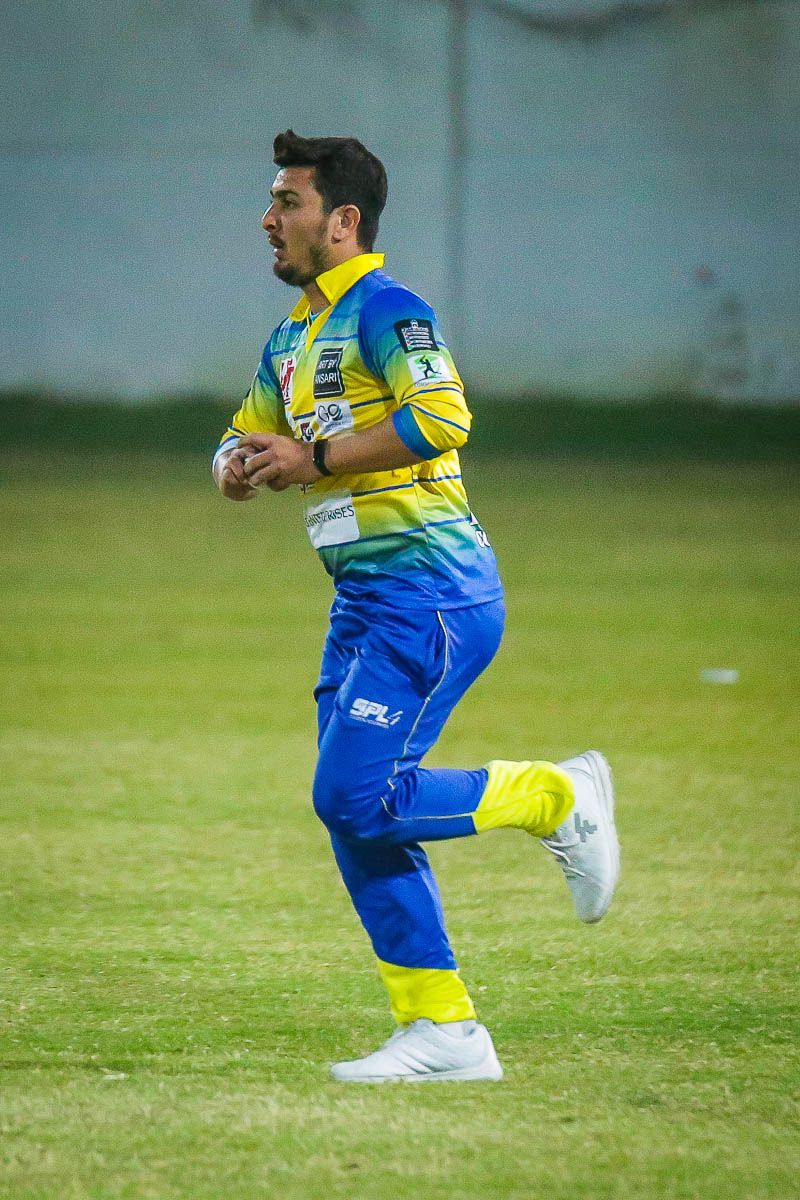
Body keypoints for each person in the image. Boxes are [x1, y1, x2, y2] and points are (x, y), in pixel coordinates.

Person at [213, 130, 620, 1083]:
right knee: (357, 812)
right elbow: (245, 428)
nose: (268, 218)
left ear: (342, 221)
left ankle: (553, 796)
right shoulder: (293, 338)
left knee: (352, 796)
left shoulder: (389, 311)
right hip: (365, 600)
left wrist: (312, 459)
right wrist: (232, 463)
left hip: (431, 590)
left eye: (288, 202)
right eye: (271, 201)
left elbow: (442, 418)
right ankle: (442, 1031)